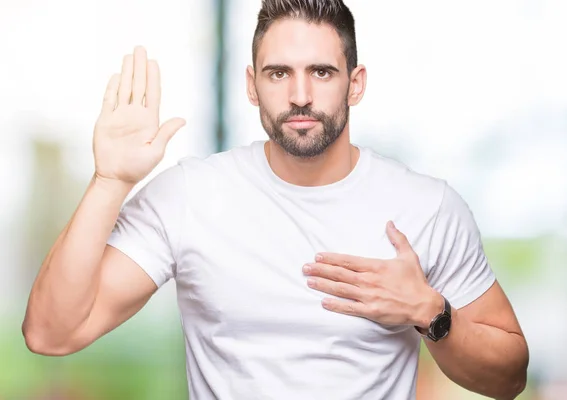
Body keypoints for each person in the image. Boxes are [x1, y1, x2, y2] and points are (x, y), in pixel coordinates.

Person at [22, 1, 529, 399]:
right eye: (279, 73)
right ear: (252, 85)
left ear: (356, 84)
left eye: (322, 72)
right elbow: (51, 333)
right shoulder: (189, 196)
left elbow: (509, 376)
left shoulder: (427, 206)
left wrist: (430, 311)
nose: (301, 94)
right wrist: (109, 180)